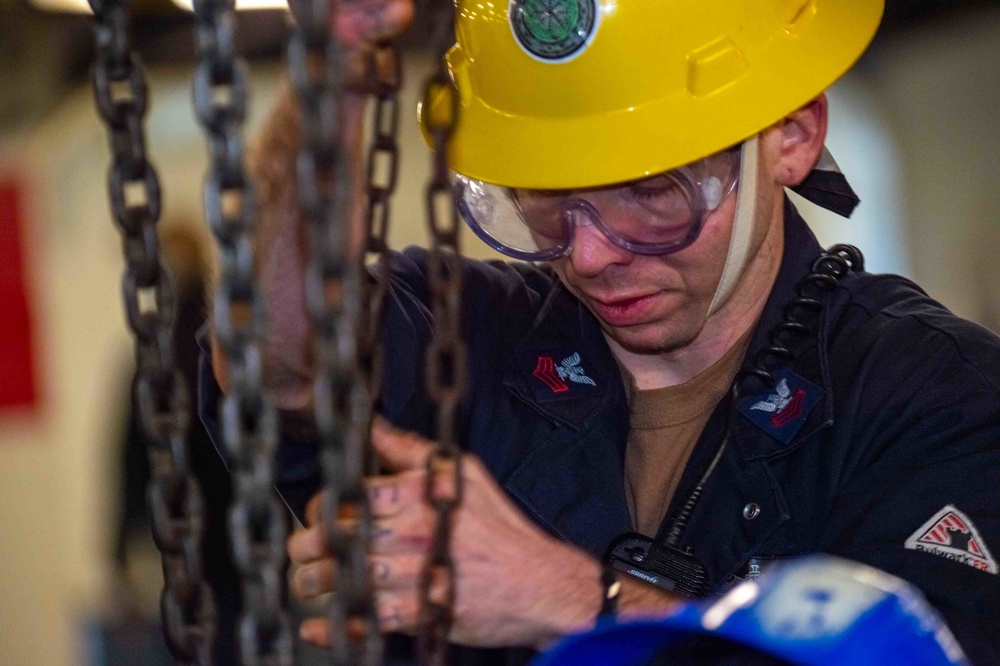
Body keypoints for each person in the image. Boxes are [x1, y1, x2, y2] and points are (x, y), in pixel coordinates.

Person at [199, 1, 1000, 663]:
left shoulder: (933, 395)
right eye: (545, 200)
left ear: (792, 135)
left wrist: (563, 598)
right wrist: (330, 76)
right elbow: (286, 362)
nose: (589, 255)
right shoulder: (473, 337)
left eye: (652, 193)